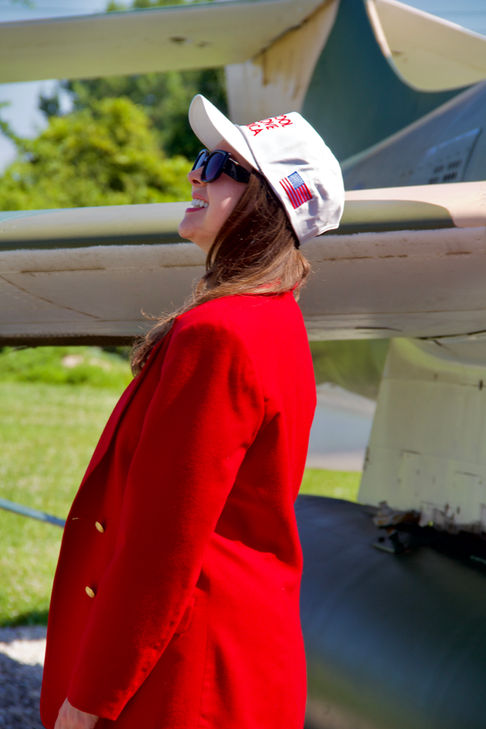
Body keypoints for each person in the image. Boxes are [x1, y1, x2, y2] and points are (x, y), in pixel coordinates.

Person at [40, 94, 344, 729]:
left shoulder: (220, 333)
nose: (194, 175)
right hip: (240, 663)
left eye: (218, 165)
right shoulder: (277, 322)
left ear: (269, 201)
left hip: (186, 680)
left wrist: (89, 698)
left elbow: (162, 542)